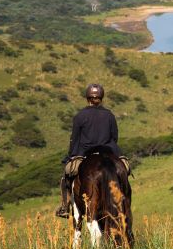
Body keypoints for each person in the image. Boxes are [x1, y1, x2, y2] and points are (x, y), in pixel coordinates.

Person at [55, 83, 128, 218]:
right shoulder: (110, 115)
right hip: (109, 150)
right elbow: (114, 137)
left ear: (87, 98)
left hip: (84, 152)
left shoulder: (80, 116)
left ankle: (65, 206)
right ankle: (125, 200)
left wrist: (72, 155)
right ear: (102, 98)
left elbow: (74, 139)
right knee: (125, 169)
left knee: (66, 173)